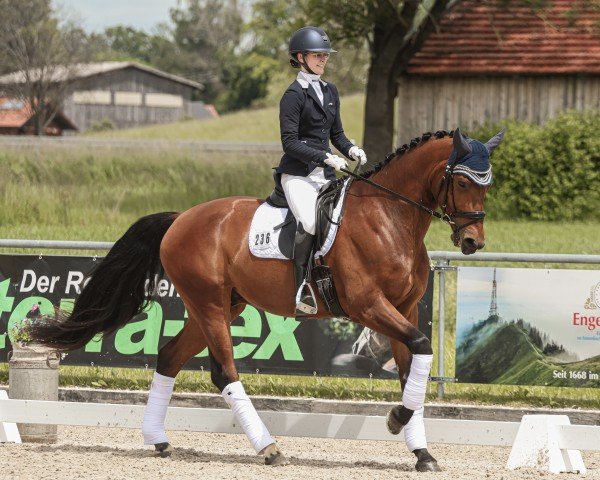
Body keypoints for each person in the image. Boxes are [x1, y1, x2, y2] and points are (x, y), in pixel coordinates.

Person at [276, 26, 367, 315]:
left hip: (325, 177)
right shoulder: (293, 95)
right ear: (300, 57)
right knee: (310, 223)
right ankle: (301, 287)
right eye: (317, 55)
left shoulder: (330, 90)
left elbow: (336, 134)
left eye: (325, 55)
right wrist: (326, 156)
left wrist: (350, 148)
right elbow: (290, 143)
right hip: (299, 176)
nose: (323, 60)